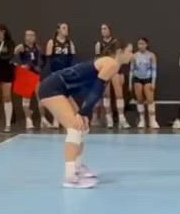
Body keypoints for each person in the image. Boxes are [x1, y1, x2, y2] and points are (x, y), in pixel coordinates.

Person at [37, 43, 135, 189]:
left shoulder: (111, 64)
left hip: (61, 89)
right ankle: (70, 177)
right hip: (52, 88)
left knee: (82, 127)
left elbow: (94, 91)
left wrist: (85, 114)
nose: (132, 55)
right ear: (120, 51)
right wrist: (83, 112)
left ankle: (77, 167)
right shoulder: (111, 63)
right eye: (130, 51)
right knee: (75, 128)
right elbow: (96, 90)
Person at [94, 23, 129, 129]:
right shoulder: (98, 44)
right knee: (106, 95)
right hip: (104, 71)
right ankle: (109, 120)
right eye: (102, 29)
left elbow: (119, 58)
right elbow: (97, 60)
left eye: (105, 29)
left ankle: (122, 119)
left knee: (119, 95)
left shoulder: (116, 43)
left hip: (115, 70)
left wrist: (120, 72)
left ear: (110, 30)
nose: (103, 31)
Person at [14, 29, 46, 131]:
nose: (30, 37)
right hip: (26, 75)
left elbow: (43, 59)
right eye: (28, 35)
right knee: (26, 99)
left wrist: (40, 67)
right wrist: (19, 66)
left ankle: (43, 119)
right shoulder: (21, 47)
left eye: (32, 35)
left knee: (40, 96)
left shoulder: (37, 48)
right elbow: (12, 57)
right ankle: (28, 120)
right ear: (25, 37)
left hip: (35, 75)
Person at [130, 37, 160, 129]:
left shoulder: (151, 55)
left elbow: (154, 70)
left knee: (150, 100)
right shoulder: (134, 56)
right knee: (139, 99)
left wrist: (153, 82)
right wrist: (130, 83)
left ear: (146, 45)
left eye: (142, 44)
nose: (141, 46)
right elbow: (131, 70)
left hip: (148, 79)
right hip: (137, 79)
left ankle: (152, 120)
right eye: (139, 44)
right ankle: (142, 120)